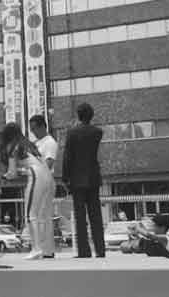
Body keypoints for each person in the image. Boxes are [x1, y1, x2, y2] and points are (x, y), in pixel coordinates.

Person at [1, 122, 55, 260]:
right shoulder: (29, 144)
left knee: (30, 214)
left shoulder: (12, 147)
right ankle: (45, 249)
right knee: (42, 214)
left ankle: (36, 248)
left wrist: (6, 176)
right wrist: (21, 171)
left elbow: (12, 173)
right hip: (47, 176)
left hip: (36, 176)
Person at [62, 103, 106, 258]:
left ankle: (84, 251)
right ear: (91, 115)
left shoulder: (72, 133)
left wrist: (65, 177)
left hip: (77, 179)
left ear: (78, 115)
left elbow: (68, 157)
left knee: (80, 218)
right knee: (96, 216)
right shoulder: (97, 132)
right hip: (93, 177)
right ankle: (100, 250)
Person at [29, 114, 57, 257]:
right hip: (37, 180)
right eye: (31, 129)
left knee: (44, 215)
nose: (33, 131)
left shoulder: (49, 142)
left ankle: (48, 250)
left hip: (45, 180)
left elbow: (49, 163)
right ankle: (41, 248)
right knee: (39, 215)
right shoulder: (37, 143)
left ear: (42, 126)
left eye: (34, 128)